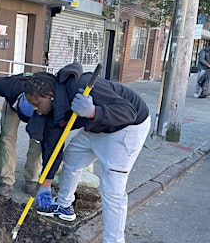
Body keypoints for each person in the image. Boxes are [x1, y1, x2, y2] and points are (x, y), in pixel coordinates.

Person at [24, 62, 150, 243]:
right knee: (72, 158)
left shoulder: (82, 85)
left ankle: (113, 240)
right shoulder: (54, 108)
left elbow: (128, 111)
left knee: (112, 190)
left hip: (127, 127)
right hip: (97, 126)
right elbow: (52, 147)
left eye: (36, 103)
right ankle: (64, 206)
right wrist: (45, 183)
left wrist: (93, 111)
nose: (35, 109)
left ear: (49, 95)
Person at [0, 73, 43, 196]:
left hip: (40, 105)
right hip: (13, 103)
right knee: (7, 137)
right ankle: (6, 180)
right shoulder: (7, 86)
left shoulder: (45, 96)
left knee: (38, 140)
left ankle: (32, 179)